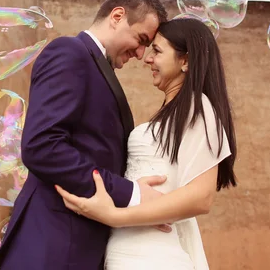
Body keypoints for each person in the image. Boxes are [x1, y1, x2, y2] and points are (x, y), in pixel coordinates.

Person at [0, 0, 169, 270]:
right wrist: (130, 193)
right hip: (52, 247)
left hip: (74, 249)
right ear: (117, 16)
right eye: (141, 39)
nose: (142, 53)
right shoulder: (70, 52)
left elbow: (94, 151)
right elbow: (42, 147)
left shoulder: (95, 66)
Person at [56, 18, 238, 269]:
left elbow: (201, 197)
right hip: (127, 253)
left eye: (157, 51)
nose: (147, 59)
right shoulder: (173, 113)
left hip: (153, 257)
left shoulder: (198, 107)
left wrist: (115, 216)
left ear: (185, 61)